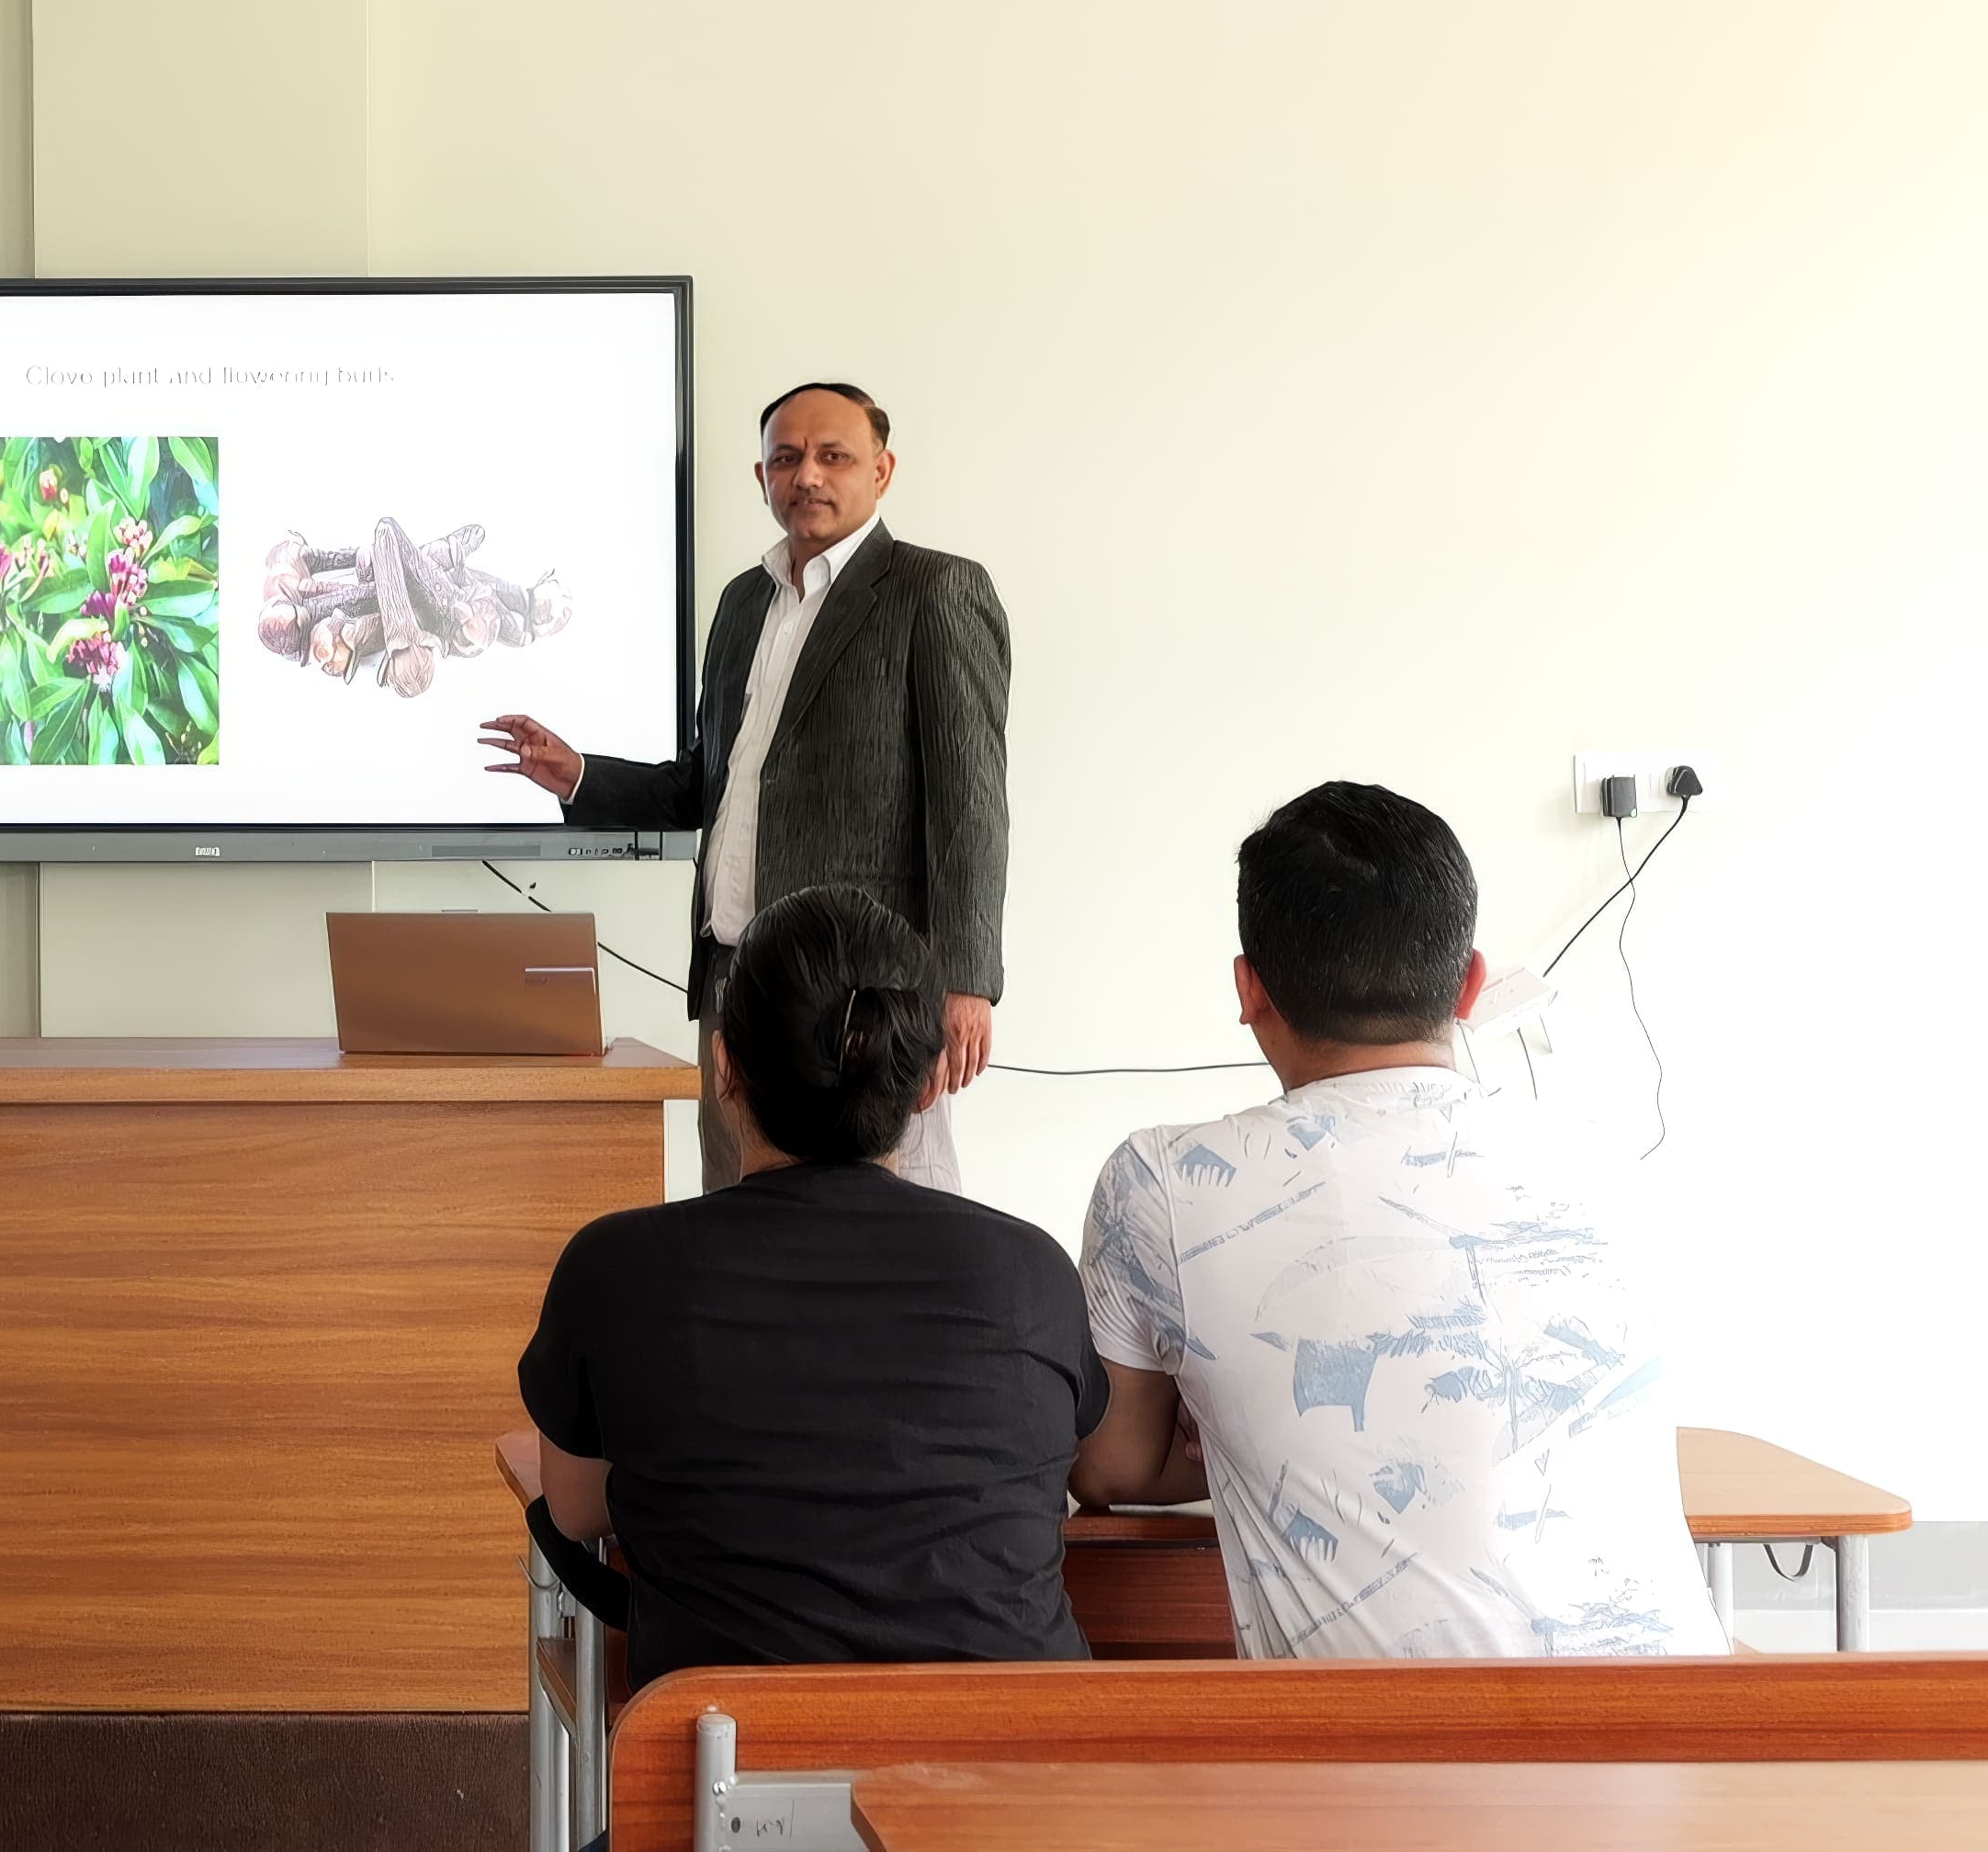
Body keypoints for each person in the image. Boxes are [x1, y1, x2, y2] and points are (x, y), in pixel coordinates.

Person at [1068, 784, 1721, 1659]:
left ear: (1247, 988)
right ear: (1470, 984)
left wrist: (1238, 1418)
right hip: (1689, 1752)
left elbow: (1107, 1469)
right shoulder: (1605, 1161)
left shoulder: (1158, 1183)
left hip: (1385, 1777)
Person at [518, 884, 1101, 1688]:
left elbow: (578, 1509)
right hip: (1017, 1786)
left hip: (729, 1791)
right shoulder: (1032, 1275)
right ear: (928, 1083)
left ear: (723, 1067)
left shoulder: (614, 1268)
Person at [482, 380, 1010, 1192]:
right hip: (736, 986)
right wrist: (580, 774)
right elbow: (708, 787)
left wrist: (966, 981)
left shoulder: (932, 591)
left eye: (833, 456)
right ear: (761, 476)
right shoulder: (740, 605)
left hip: (865, 995)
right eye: (786, 458)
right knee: (735, 1216)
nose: (807, 476)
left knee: (889, 1225)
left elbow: (969, 805)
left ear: (882, 469)